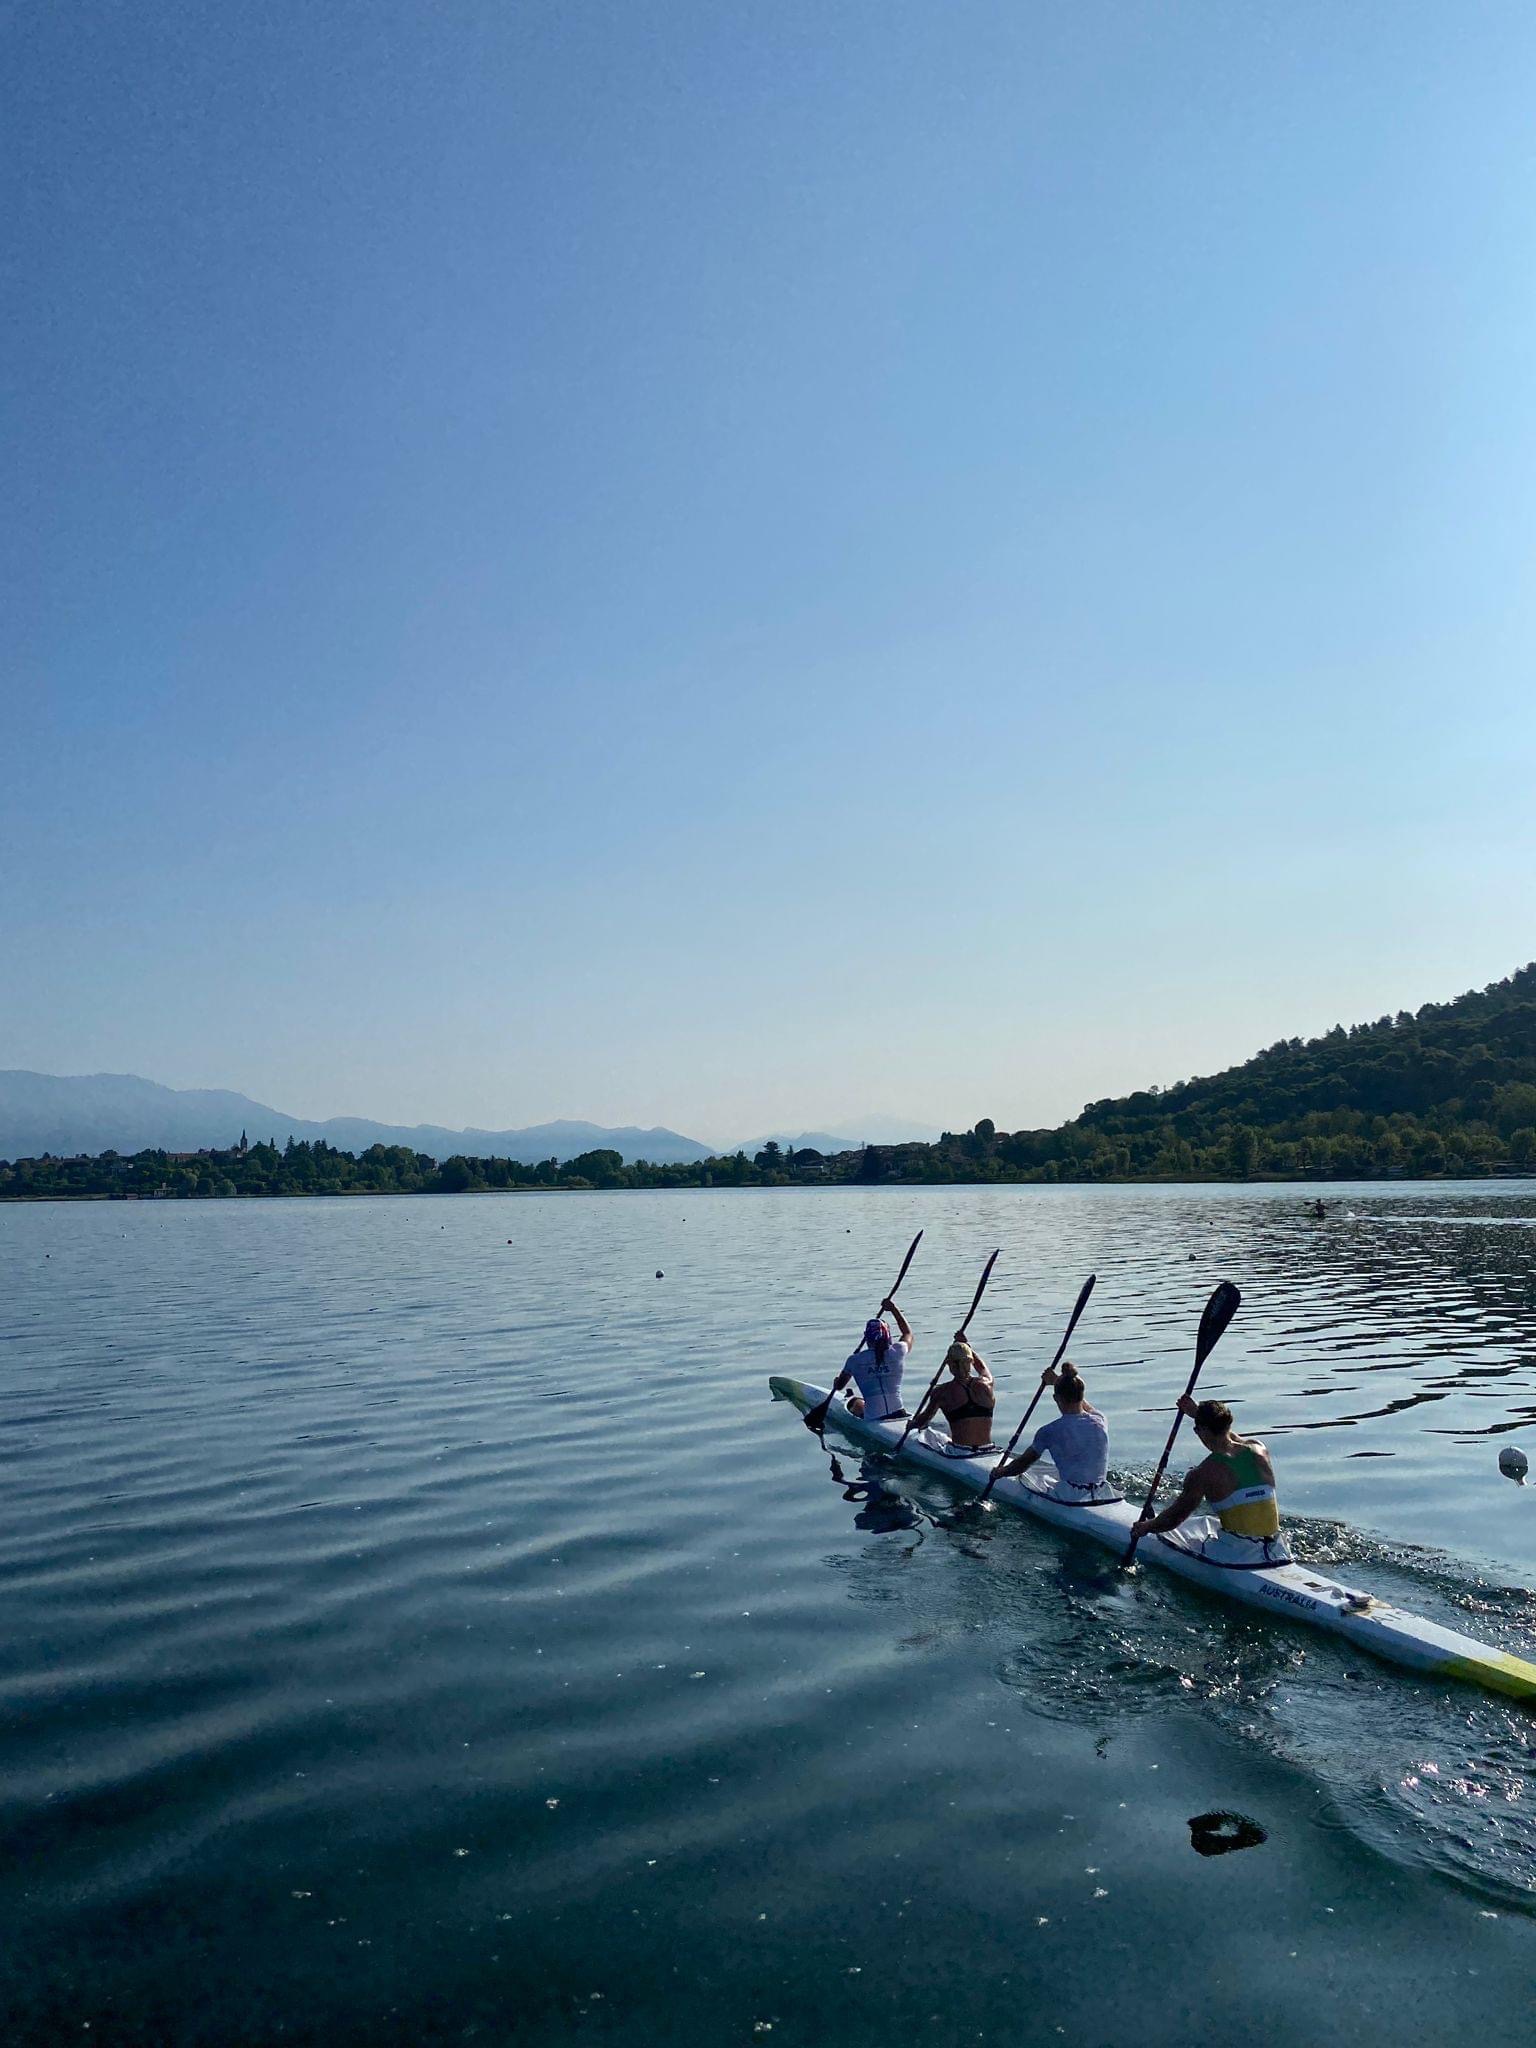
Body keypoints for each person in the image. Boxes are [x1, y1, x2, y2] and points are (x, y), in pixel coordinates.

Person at [1128, 1396, 1291, 1564]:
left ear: (1203, 1430)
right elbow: (1231, 1438)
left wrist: (1146, 1527)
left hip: (1237, 1557)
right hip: (1278, 1549)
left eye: (1196, 1429)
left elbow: (1174, 1519)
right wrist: (1197, 1413)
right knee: (1208, 1523)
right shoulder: (1259, 1449)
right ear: (1227, 1425)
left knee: (1166, 1533)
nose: (1196, 1432)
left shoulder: (1203, 1473)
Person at [993, 1363, 1114, 1499]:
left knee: (1028, 1476)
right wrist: (1056, 1380)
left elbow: (1022, 1464)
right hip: (1104, 1493)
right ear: (1081, 1395)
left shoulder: (1049, 1431)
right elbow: (1083, 1403)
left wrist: (1001, 1472)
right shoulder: (1100, 1420)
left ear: (1056, 1398)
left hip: (1071, 1496)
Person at [831, 1298, 913, 1421]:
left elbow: (839, 1387)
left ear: (867, 1337)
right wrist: (893, 1309)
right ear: (888, 1336)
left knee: (856, 1402)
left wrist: (836, 1381)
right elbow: (907, 1333)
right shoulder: (898, 1351)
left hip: (874, 1418)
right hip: (900, 1413)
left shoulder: (854, 1360)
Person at [914, 1336, 996, 1457]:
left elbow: (924, 1421)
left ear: (948, 1364)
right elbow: (982, 1368)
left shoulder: (941, 1392)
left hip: (960, 1452)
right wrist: (966, 1345)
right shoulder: (987, 1384)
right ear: (971, 1362)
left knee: (922, 1438)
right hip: (989, 1449)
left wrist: (912, 1424)